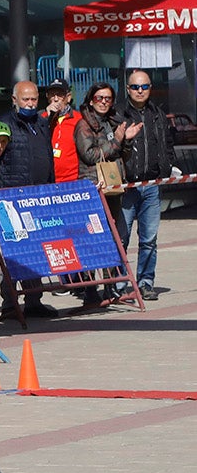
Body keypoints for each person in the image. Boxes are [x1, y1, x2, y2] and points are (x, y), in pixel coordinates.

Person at [0, 80, 57, 318]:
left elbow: (48, 159)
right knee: (12, 253)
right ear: (15, 100)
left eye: (33, 99)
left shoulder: (41, 124)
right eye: (25, 99)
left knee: (36, 252)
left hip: (38, 198)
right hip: (11, 200)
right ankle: (9, 303)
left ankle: (34, 300)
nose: (30, 104)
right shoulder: (4, 125)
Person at [75, 81, 137, 307]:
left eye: (108, 99)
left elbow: (122, 156)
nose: (103, 102)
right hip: (93, 188)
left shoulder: (113, 122)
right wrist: (117, 140)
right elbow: (90, 156)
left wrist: (127, 140)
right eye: (99, 98)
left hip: (113, 187)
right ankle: (91, 290)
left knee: (114, 238)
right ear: (91, 100)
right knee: (92, 238)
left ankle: (110, 286)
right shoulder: (84, 125)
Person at [117, 69, 176, 302]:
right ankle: (121, 284)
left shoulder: (158, 114)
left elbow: (168, 143)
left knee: (149, 238)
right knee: (121, 238)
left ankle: (145, 282)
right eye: (135, 87)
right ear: (128, 89)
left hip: (152, 185)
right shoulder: (119, 114)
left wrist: (168, 165)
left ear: (150, 88)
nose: (139, 91)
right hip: (127, 187)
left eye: (144, 87)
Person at [44, 78, 82, 183]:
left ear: (68, 97)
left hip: (72, 180)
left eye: (60, 95)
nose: (56, 99)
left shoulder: (79, 119)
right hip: (48, 180)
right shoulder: (40, 119)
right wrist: (48, 118)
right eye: (52, 94)